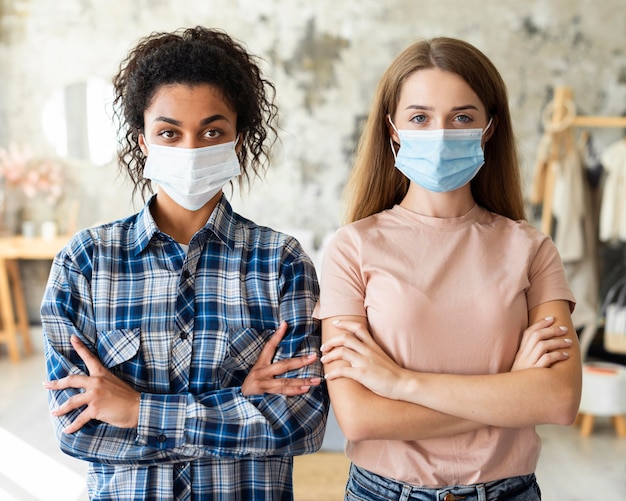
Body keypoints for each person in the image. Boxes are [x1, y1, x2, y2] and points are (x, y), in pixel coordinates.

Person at [41, 26, 328, 501]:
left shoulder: (281, 262)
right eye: (169, 132)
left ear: (238, 139)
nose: (191, 149)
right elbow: (78, 430)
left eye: (212, 131)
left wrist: (135, 410)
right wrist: (240, 405)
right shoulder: (86, 262)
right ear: (142, 141)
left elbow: (298, 424)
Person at [315, 37, 582, 500]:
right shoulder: (351, 248)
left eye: (462, 117)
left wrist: (401, 383)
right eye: (420, 117)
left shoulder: (531, 248)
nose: (440, 133)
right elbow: (360, 418)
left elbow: (558, 401)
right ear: (393, 129)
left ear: (489, 128)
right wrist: (511, 394)